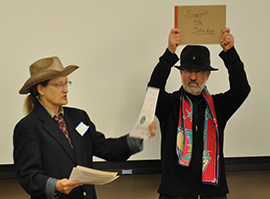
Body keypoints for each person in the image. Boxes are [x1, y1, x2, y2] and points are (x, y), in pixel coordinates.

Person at [13, 56, 156, 199]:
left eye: (66, 83)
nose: (66, 90)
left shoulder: (78, 117)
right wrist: (54, 185)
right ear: (40, 89)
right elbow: (28, 175)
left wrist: (138, 135)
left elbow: (103, 147)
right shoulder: (28, 127)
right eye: (59, 85)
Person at [147, 28, 250, 199]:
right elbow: (152, 91)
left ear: (207, 75)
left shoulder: (218, 106)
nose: (193, 77)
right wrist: (170, 52)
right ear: (181, 72)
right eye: (188, 70)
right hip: (174, 192)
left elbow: (242, 90)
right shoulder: (169, 105)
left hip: (212, 191)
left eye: (199, 71)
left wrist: (229, 52)